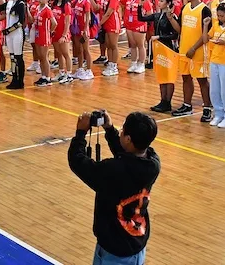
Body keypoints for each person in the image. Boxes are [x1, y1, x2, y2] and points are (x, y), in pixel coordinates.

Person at [68, 110, 160, 265]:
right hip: (136, 244)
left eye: (123, 131)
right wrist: (110, 129)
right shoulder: (152, 163)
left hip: (115, 252)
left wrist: (80, 133)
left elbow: (77, 162)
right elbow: (127, 154)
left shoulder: (113, 170)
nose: (121, 133)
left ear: (129, 139)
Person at [174, 0, 212, 120]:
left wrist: (194, 48)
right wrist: (171, 18)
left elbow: (206, 34)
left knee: (202, 80)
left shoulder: (204, 10)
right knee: (185, 78)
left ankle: (207, 107)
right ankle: (187, 105)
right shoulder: (184, 8)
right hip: (184, 49)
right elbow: (180, 29)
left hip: (198, 51)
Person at [3, 0, 26, 90]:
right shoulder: (9, 2)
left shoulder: (21, 4)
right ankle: (14, 79)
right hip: (9, 35)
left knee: (18, 57)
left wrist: (9, 30)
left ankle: (20, 81)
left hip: (17, 34)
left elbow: (21, 21)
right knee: (12, 57)